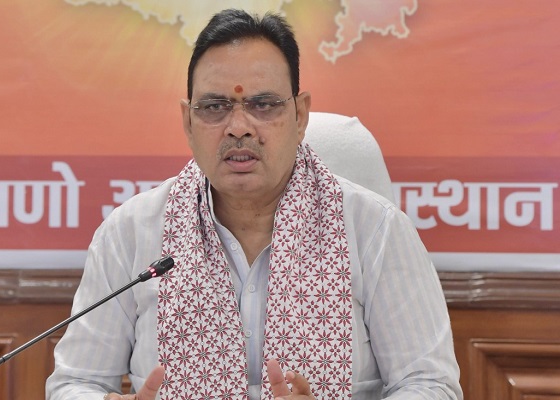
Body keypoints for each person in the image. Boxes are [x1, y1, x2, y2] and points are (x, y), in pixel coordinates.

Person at [46, 8, 463, 400]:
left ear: (300, 116)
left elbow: (429, 384)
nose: (239, 128)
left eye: (263, 105)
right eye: (214, 107)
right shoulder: (130, 233)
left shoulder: (376, 230)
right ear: (187, 121)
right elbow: (76, 381)